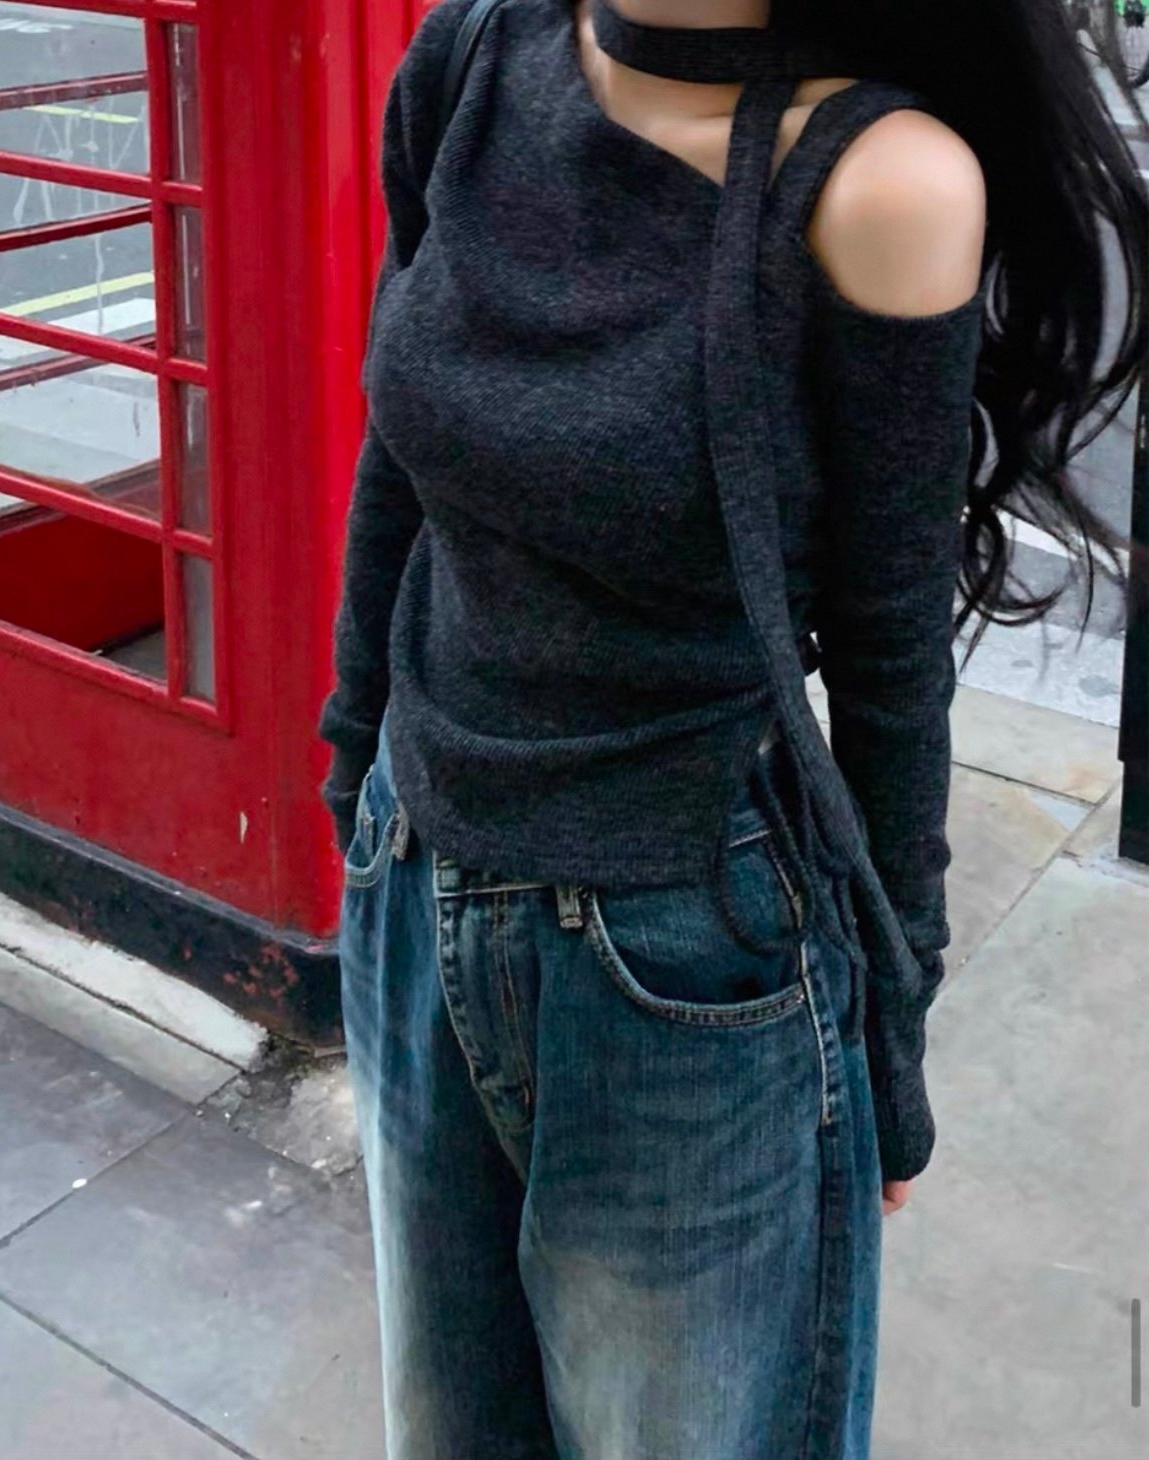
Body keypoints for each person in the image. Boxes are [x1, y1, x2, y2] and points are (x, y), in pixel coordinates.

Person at [318, 1, 1147, 1455]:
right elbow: (401, 466)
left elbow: (891, 657)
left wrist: (894, 1030)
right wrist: (353, 763)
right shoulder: (471, 57)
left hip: (683, 964)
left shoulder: (880, 181)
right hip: (413, 871)